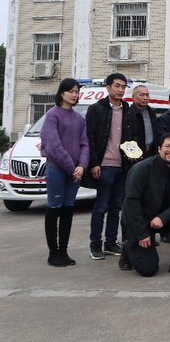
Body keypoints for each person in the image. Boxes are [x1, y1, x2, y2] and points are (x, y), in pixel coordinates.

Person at [120, 133, 170, 276]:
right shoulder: (142, 169)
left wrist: (163, 217)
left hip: (162, 219)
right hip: (140, 220)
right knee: (148, 269)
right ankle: (128, 246)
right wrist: (141, 234)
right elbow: (131, 202)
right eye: (167, 146)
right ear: (159, 149)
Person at [40, 78, 89, 267]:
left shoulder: (79, 118)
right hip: (57, 170)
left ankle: (64, 251)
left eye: (77, 91)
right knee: (54, 209)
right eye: (71, 91)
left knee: (68, 210)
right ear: (61, 93)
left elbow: (85, 144)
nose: (74, 95)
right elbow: (53, 145)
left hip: (75, 173)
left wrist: (82, 166)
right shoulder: (52, 115)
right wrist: (71, 168)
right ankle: (53, 253)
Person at [87, 72, 129, 260]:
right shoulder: (97, 109)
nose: (120, 90)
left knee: (116, 207)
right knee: (101, 207)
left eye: (123, 86)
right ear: (108, 87)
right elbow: (91, 138)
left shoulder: (127, 108)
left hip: (123, 165)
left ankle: (110, 243)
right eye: (117, 86)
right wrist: (94, 163)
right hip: (105, 165)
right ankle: (95, 244)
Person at [125, 84, 159, 162]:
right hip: (135, 155)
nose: (145, 98)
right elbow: (127, 137)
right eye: (142, 95)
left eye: (147, 95)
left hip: (152, 153)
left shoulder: (152, 113)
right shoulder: (128, 114)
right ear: (133, 97)